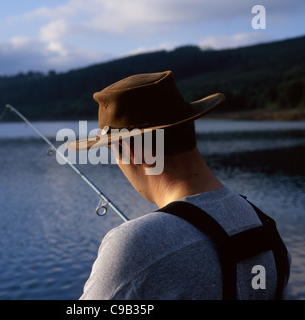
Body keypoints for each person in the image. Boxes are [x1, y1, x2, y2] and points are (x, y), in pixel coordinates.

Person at [66, 71, 290, 300]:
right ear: (187, 128)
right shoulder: (264, 225)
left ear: (132, 152)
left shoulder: (134, 246)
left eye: (113, 151)